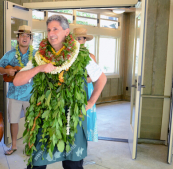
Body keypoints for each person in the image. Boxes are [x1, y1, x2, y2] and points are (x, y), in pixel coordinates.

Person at [13, 15, 107, 169]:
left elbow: (102, 79)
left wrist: (90, 103)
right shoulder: (39, 57)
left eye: (55, 29)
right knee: (37, 163)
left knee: (73, 164)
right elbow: (17, 81)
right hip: (45, 118)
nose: (51, 33)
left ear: (66, 32)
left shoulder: (81, 55)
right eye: (49, 29)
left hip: (72, 117)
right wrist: (40, 68)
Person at [0, 25, 36, 155]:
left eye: (27, 35)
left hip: (31, 94)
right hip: (14, 94)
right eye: (22, 35)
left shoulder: (36, 55)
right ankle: (13, 145)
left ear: (31, 38)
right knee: (13, 120)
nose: (25, 38)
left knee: (32, 121)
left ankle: (31, 145)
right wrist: (7, 70)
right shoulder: (10, 54)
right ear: (18, 38)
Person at [73, 27, 98, 142]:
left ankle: (83, 144)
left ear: (84, 40)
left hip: (86, 88)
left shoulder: (90, 56)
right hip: (71, 89)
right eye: (74, 39)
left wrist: (80, 79)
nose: (77, 41)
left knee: (85, 116)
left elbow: (94, 77)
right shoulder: (69, 56)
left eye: (79, 39)